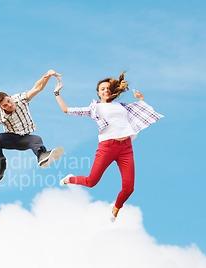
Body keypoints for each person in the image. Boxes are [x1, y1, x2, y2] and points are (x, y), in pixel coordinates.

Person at [54, 72, 163, 221]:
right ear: (98, 93)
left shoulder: (122, 106)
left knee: (129, 188)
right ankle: (70, 179)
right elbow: (66, 110)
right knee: (91, 182)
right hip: (107, 147)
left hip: (126, 148)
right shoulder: (95, 108)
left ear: (112, 91)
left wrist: (141, 99)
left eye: (107, 88)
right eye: (102, 89)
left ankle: (116, 207)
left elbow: (139, 111)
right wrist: (57, 93)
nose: (105, 90)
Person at [0, 69, 64, 181]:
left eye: (8, 101)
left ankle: (42, 156)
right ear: (1, 107)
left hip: (25, 139)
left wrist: (47, 75)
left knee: (36, 139)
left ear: (10, 97)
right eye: (5, 105)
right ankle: (1, 163)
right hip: (10, 138)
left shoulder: (20, 98)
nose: (9, 105)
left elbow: (38, 88)